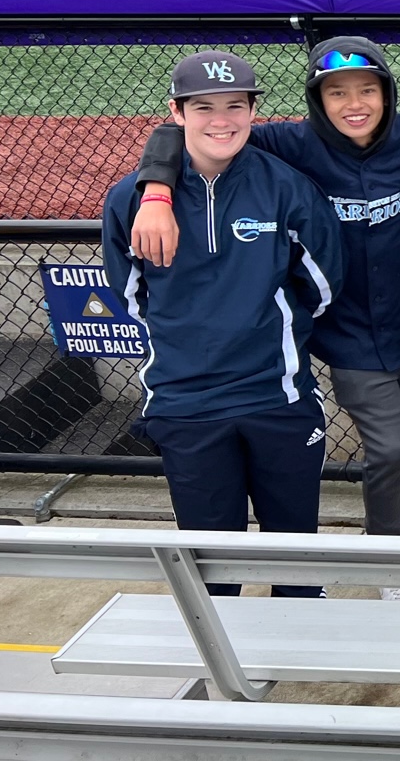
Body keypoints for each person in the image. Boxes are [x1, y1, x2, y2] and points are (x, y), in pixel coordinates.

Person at [128, 39, 400, 599]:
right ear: (316, 100)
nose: (354, 104)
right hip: (346, 334)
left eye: (368, 90)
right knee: (391, 447)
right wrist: (156, 187)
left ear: (388, 94)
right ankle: (387, 558)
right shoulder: (288, 142)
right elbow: (194, 131)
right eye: (336, 93)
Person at [101, 51, 343, 597]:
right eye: (204, 106)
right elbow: (130, 292)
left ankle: (298, 645)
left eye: (236, 105)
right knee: (214, 564)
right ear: (176, 111)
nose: (221, 120)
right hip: (186, 404)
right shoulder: (129, 200)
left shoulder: (284, 186)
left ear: (253, 110)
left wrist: (262, 328)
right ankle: (231, 671)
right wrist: (192, 334)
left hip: (275, 395)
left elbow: (323, 284)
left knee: (295, 554)